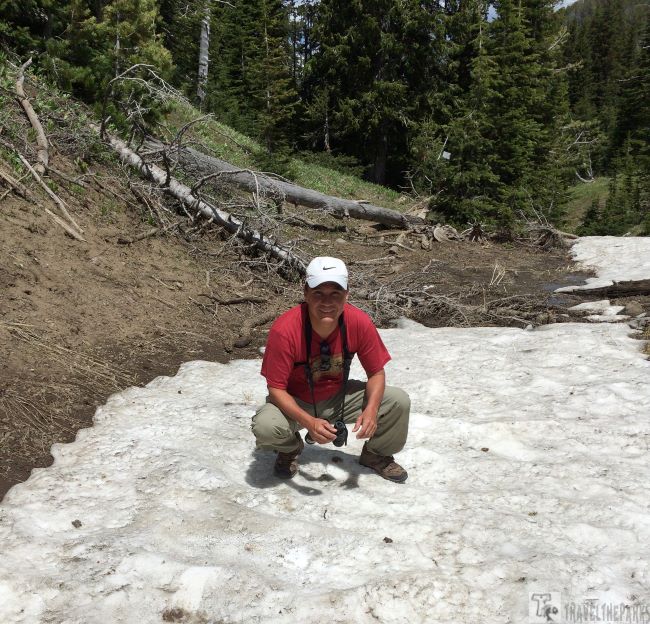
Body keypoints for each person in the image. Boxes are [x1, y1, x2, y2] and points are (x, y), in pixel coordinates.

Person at [251, 256, 410, 482]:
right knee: (266, 426)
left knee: (397, 401)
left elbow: (376, 372)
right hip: (295, 401)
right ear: (305, 293)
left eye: (335, 293)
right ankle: (289, 449)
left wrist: (372, 410)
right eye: (318, 293)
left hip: (339, 398)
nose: (327, 302)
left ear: (346, 295)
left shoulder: (359, 322)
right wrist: (308, 422)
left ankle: (377, 455)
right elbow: (275, 388)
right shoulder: (285, 330)